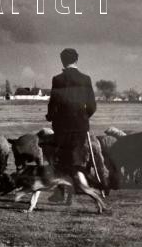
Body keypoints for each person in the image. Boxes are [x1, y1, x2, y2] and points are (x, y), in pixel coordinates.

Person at [45, 47, 105, 210]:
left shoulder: (57, 79)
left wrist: (50, 116)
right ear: (77, 60)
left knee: (60, 160)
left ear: (62, 61)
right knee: (77, 159)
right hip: (80, 126)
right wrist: (83, 117)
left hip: (61, 127)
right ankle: (81, 188)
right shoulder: (85, 79)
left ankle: (60, 192)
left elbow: (53, 103)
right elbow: (92, 105)